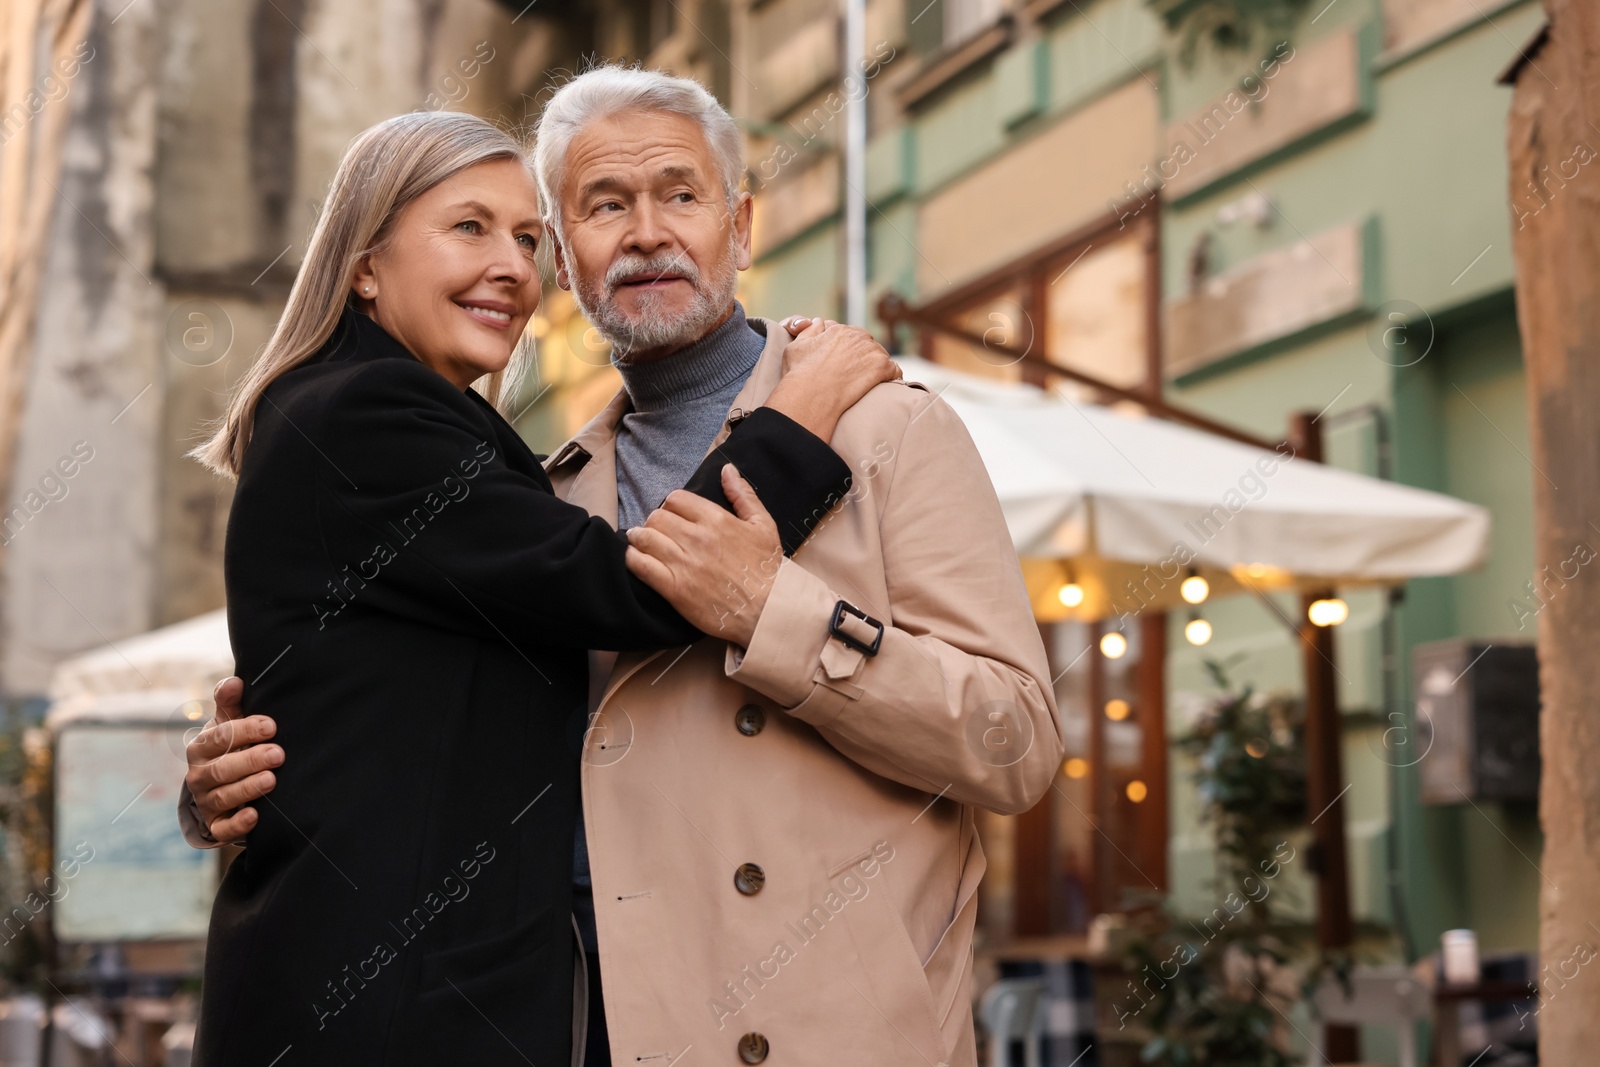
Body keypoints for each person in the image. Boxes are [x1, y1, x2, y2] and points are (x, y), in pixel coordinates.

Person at [185, 66, 1065, 1067]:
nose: (647, 232)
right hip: (590, 1032)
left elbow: (1015, 745)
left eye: (681, 195)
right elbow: (444, 704)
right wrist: (239, 775)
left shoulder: (888, 431)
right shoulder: (548, 484)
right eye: (604, 206)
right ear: (571, 258)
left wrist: (778, 612)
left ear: (741, 225)